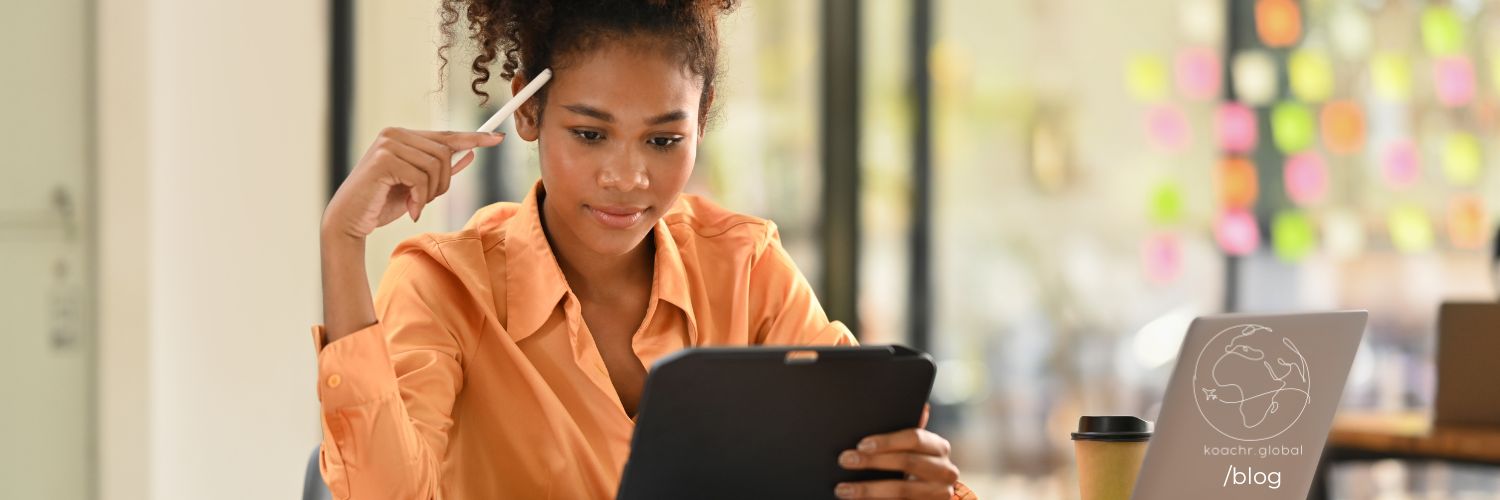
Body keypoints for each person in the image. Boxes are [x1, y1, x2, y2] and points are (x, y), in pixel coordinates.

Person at [313, 0, 974, 498]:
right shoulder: (444, 285)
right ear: (525, 111)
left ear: (702, 115)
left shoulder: (743, 267)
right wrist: (342, 243)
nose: (627, 178)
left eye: (662, 141)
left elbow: (867, 447)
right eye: (590, 134)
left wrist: (918, 483)